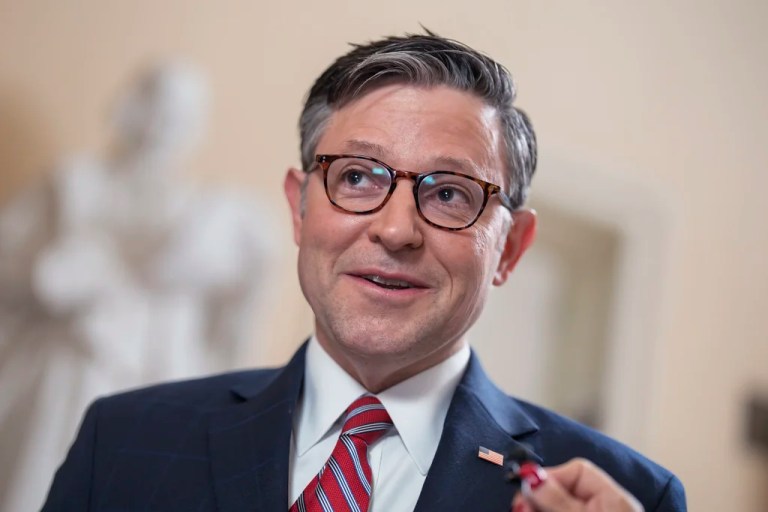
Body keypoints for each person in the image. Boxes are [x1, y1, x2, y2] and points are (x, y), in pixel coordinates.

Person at [41, 32, 686, 511]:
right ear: (299, 207)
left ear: (511, 249)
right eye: (356, 177)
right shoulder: (121, 441)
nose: (396, 230)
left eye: (450, 194)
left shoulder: (630, 496)